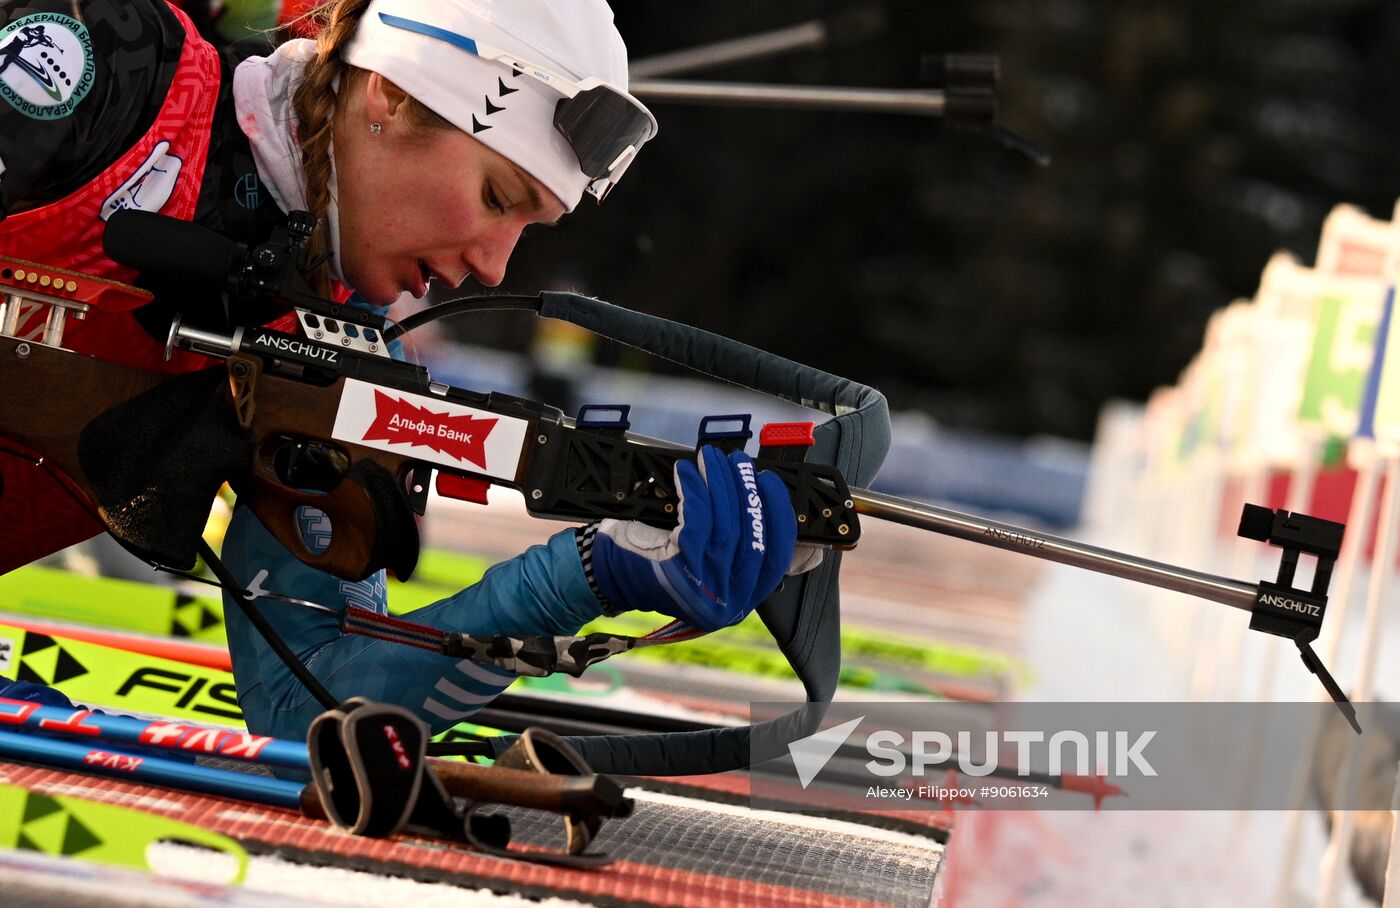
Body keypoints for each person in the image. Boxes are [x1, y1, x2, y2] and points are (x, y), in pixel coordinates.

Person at [0, 0, 809, 740]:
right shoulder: (104, 65)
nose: (495, 266)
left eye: (532, 226)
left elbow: (306, 707)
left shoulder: (334, 341)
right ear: (387, 96)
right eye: (498, 197)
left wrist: (585, 578)